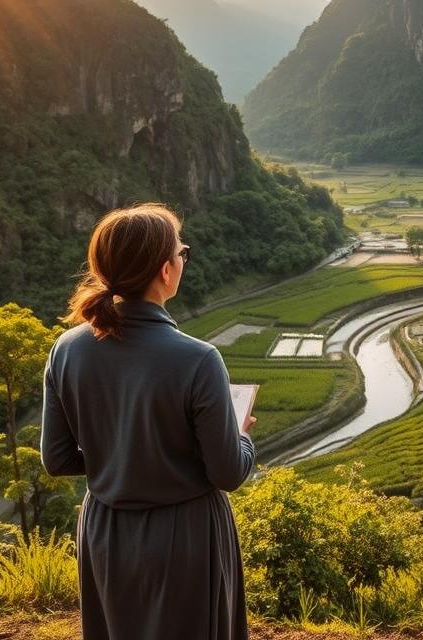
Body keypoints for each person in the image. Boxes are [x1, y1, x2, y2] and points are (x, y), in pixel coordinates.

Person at [40, 202, 256, 640]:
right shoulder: (198, 359)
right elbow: (229, 472)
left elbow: (57, 459)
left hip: (106, 532)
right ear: (165, 270)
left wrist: (121, 456)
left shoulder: (67, 348)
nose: (183, 260)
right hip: (185, 534)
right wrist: (241, 437)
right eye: (182, 253)